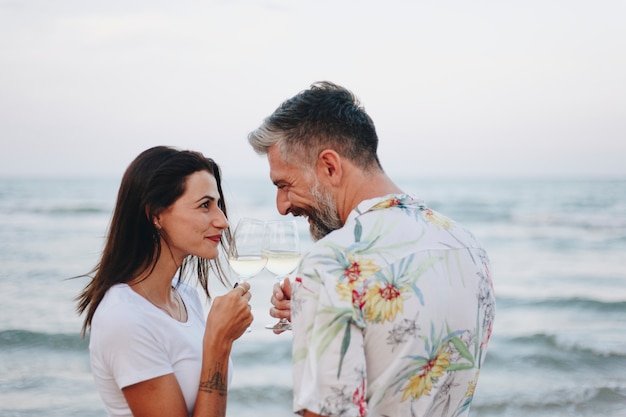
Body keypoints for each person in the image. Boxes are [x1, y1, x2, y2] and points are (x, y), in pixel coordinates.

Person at [247, 82, 496, 417]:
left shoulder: (331, 263)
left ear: (330, 167)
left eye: (284, 185)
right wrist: (314, 313)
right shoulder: (467, 247)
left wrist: (322, 300)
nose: (281, 206)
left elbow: (326, 412)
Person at [76, 146, 253, 417]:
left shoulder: (186, 297)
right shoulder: (123, 318)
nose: (223, 221)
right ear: (156, 215)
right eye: (205, 205)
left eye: (218, 204)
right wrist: (218, 343)